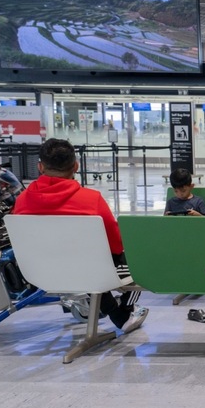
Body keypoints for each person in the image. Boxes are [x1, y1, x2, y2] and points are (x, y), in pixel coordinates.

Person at [12, 138, 148, 333]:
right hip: (89, 272)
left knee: (85, 264)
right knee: (136, 261)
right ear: (76, 166)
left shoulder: (22, 201)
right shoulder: (91, 200)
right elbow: (116, 245)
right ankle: (124, 310)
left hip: (39, 273)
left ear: (40, 167)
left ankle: (117, 313)